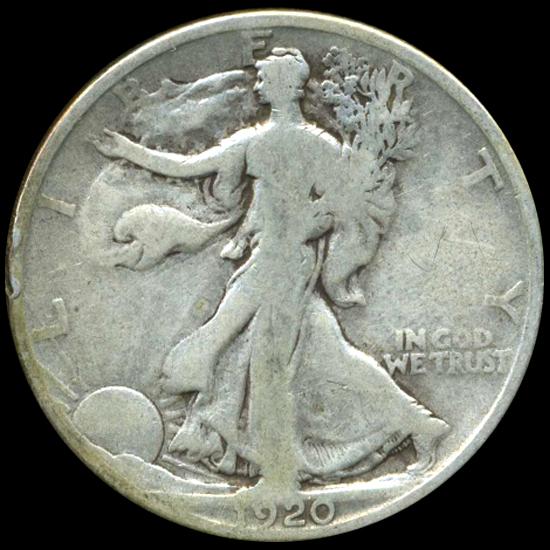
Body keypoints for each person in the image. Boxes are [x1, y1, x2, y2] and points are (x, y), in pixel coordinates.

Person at [95, 47, 450, 490]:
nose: (257, 85)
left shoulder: (272, 144)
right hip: (279, 258)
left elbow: (340, 204)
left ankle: (279, 471)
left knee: (266, 364)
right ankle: (420, 424)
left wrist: (305, 225)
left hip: (280, 263)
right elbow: (189, 168)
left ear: (284, 86)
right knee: (329, 354)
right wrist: (128, 151)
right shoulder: (300, 144)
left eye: (264, 79)